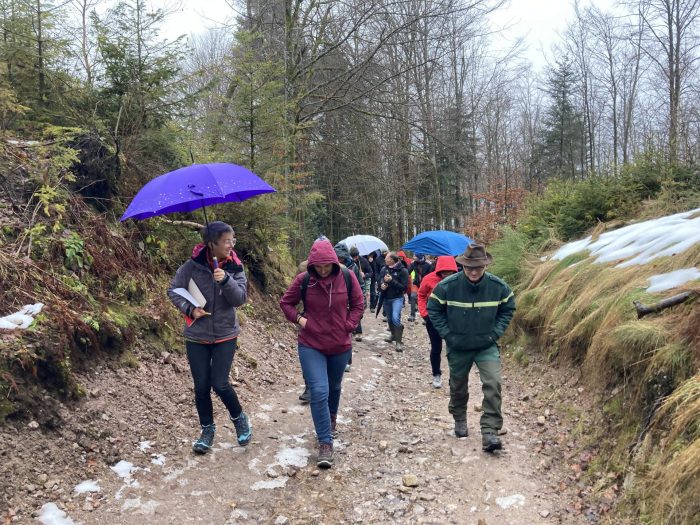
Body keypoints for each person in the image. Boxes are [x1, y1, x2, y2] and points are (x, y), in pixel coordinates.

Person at [167, 221, 252, 454]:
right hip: (197, 335)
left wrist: (225, 280)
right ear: (211, 243)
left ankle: (239, 418)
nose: (231, 245)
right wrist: (190, 309)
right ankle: (207, 430)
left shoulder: (235, 266)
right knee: (201, 386)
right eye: (226, 241)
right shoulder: (191, 266)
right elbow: (173, 289)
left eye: (232, 240)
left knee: (220, 383)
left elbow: (240, 299)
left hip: (225, 334)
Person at [279, 239, 364, 468]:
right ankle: (325, 442)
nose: (323, 270)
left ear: (335, 263)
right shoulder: (303, 280)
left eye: (327, 266)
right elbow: (286, 303)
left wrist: (349, 325)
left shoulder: (347, 277)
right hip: (311, 344)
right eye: (319, 266)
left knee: (334, 387)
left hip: (339, 344)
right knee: (318, 390)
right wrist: (300, 319)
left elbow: (359, 303)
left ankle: (332, 419)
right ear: (312, 264)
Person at [427, 244, 515, 452]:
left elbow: (508, 308)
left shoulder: (498, 287)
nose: (474, 272)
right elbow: (434, 309)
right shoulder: (448, 286)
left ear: (485, 265)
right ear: (462, 266)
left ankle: (490, 431)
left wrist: (494, 333)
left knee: (493, 383)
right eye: (469, 268)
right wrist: (448, 335)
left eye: (478, 267)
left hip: (486, 345)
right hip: (459, 346)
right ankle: (459, 418)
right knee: (458, 385)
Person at [417, 256, 458, 388]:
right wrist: (425, 314)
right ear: (439, 269)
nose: (447, 274)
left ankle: (454, 378)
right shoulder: (429, 279)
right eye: (444, 272)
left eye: (450, 272)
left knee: (454, 349)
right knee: (436, 348)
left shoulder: (459, 280)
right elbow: (421, 295)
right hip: (433, 319)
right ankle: (436, 374)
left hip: (453, 320)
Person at [381, 252, 409, 351]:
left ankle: (398, 342)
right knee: (389, 319)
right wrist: (382, 285)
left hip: (397, 298)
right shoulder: (384, 269)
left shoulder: (403, 271)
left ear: (392, 260)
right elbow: (381, 280)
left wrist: (391, 280)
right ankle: (393, 335)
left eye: (387, 258)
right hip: (386, 298)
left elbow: (404, 287)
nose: (385, 259)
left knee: (395, 318)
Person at [407, 253, 432, 322]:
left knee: (427, 299)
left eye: (415, 256)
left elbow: (431, 275)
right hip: (416, 284)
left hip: (425, 285)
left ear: (419, 256)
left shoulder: (428, 264)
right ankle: (412, 315)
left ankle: (426, 317)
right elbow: (407, 271)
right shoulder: (413, 264)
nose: (413, 257)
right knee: (413, 296)